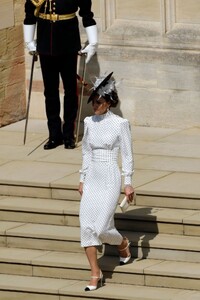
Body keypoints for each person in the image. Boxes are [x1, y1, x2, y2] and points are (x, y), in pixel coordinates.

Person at [78, 72, 135, 291]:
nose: (95, 105)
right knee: (86, 227)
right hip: (92, 176)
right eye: (93, 102)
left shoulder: (121, 124)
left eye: (99, 102)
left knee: (101, 227)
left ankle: (122, 243)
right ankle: (95, 272)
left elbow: (127, 155)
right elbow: (85, 152)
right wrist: (82, 178)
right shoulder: (88, 122)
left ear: (109, 102)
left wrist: (127, 182)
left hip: (110, 177)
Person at [23, 0, 97, 149]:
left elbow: (86, 15)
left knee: (70, 90)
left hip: (68, 41)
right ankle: (54, 135)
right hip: (45, 42)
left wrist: (94, 42)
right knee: (50, 92)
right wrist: (29, 41)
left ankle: (68, 135)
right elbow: (30, 14)